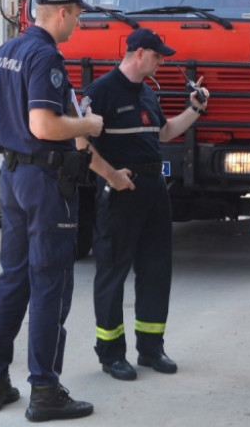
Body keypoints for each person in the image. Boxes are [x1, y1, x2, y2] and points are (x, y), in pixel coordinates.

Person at [0, 0, 103, 422]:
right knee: (51, 282)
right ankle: (45, 390)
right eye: (78, 16)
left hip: (12, 177)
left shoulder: (8, 50)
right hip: (45, 181)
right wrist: (87, 125)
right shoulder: (46, 56)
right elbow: (45, 126)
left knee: (13, 279)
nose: (78, 24)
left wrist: (20, 127)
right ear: (63, 12)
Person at [84, 28, 209, 381]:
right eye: (157, 56)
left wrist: (196, 109)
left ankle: (151, 348)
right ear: (139, 53)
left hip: (154, 189)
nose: (161, 62)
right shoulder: (101, 91)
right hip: (120, 191)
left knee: (156, 271)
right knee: (113, 271)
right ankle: (111, 354)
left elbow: (164, 132)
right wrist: (111, 176)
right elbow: (80, 141)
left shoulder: (148, 93)